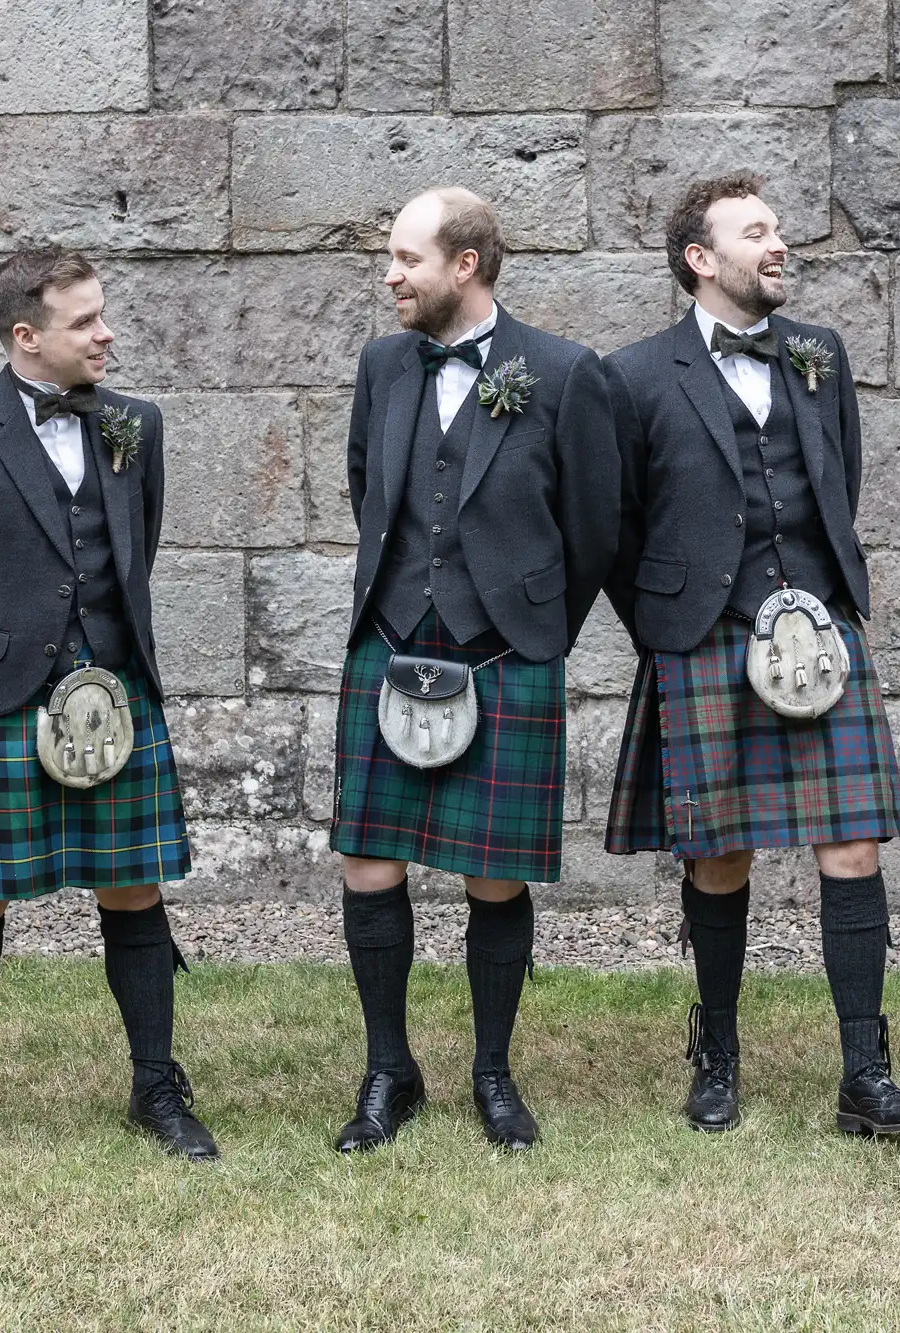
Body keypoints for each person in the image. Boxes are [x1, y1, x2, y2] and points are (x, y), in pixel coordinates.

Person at [602, 172, 900, 1138]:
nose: (780, 243)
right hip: (706, 634)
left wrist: (823, 600)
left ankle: (865, 1074)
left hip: (819, 632)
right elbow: (617, 526)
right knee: (717, 852)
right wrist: (670, 622)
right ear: (701, 260)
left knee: (854, 841)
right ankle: (717, 1061)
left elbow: (840, 480)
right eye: (758, 231)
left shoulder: (819, 356)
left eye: (779, 229)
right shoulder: (635, 375)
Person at [0, 247, 215, 1162]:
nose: (106, 333)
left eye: (103, 314)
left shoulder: (133, 425)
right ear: (26, 336)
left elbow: (132, 557)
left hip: (114, 695)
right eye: (84, 321)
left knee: (133, 889)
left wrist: (105, 663)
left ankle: (155, 1087)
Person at [329, 188, 619, 1152]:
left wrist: (537, 629)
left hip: (504, 648)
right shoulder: (382, 365)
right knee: (370, 863)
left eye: (408, 257)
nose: (391, 274)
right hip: (392, 634)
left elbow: (593, 527)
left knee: (493, 874)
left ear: (467, 264)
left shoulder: (564, 372)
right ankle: (388, 1069)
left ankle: (493, 1071)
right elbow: (366, 480)